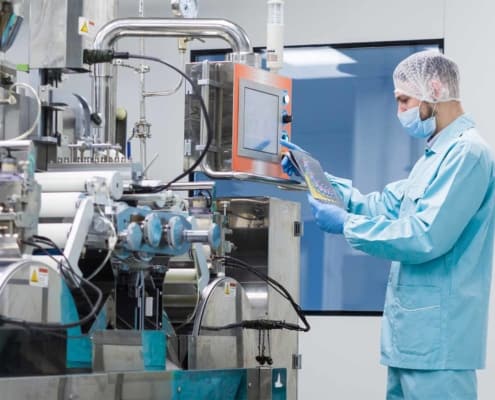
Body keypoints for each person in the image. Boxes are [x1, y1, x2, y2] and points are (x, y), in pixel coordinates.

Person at [281, 50, 495, 399]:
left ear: (435, 89)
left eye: (404, 100)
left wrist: (348, 225)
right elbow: (381, 205)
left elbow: (426, 235)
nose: (401, 112)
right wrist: (316, 176)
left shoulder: (467, 153)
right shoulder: (434, 156)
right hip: (413, 339)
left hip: (440, 341)